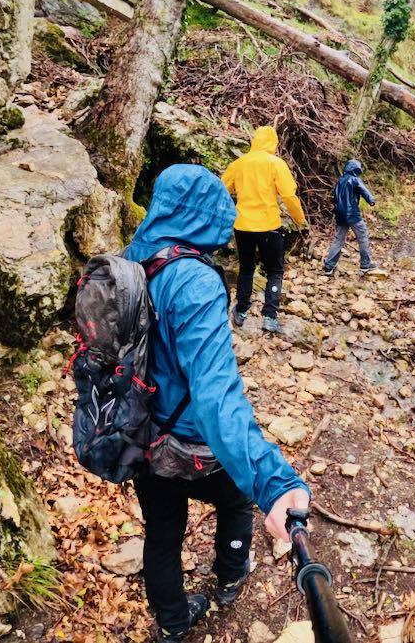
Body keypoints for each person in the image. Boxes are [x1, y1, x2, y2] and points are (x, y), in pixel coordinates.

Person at [126, 164, 311, 642]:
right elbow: (215, 396)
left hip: (140, 433)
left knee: (162, 531)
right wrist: (269, 478)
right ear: (205, 216)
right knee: (236, 498)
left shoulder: (131, 262)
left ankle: (171, 622)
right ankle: (230, 576)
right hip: (190, 440)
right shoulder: (196, 282)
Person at [221, 126, 306, 334]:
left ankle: (241, 311)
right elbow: (288, 195)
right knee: (275, 270)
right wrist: (300, 219)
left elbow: (221, 190)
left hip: (242, 226)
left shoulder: (239, 164)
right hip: (269, 226)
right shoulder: (276, 163)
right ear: (273, 144)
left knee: (247, 267)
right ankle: (269, 315)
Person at [323, 159, 377, 276]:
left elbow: (335, 197)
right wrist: (371, 200)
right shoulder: (355, 180)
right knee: (362, 237)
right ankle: (365, 265)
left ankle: (329, 266)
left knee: (338, 240)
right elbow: (364, 191)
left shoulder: (340, 180)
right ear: (356, 169)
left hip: (340, 215)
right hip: (353, 214)